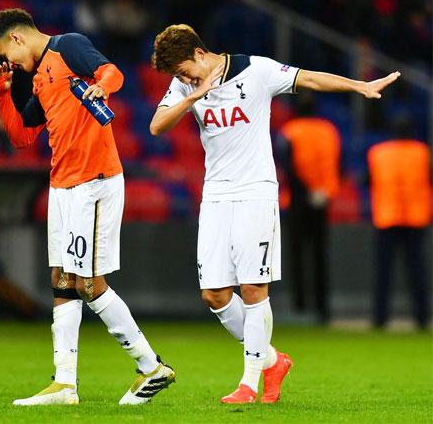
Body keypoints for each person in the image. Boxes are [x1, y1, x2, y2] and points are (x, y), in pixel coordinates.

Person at [148, 24, 399, 404]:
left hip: (256, 193)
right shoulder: (185, 85)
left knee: (252, 288)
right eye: (179, 77)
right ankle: (270, 360)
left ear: (200, 54)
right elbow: (156, 126)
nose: (183, 79)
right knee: (214, 295)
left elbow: (309, 78)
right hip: (215, 195)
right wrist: (192, 93)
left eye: (185, 71)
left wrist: (359, 86)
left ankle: (249, 384)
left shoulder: (256, 71)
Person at [0, 8, 175, 406]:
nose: (11, 63)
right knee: (61, 281)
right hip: (62, 185)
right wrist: (3, 93)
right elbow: (22, 137)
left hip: (94, 181)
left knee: (89, 283)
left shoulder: (68, 46)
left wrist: (102, 86)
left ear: (18, 39)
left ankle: (150, 366)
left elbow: (114, 73)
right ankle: (65, 385)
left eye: (9, 54)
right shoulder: (36, 78)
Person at [279, 93, 341, 323]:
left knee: (297, 254)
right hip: (322, 199)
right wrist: (324, 191)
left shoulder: (290, 130)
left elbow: (287, 165)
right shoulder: (329, 130)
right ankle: (322, 308)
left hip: (298, 199)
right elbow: (338, 162)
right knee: (320, 254)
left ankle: (300, 306)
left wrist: (305, 192)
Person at [367, 116, 431, 329]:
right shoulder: (422, 152)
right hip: (415, 218)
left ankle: (379, 318)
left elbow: (368, 180)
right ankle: (422, 318)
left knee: (383, 272)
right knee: (417, 272)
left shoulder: (378, 153)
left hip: (387, 218)